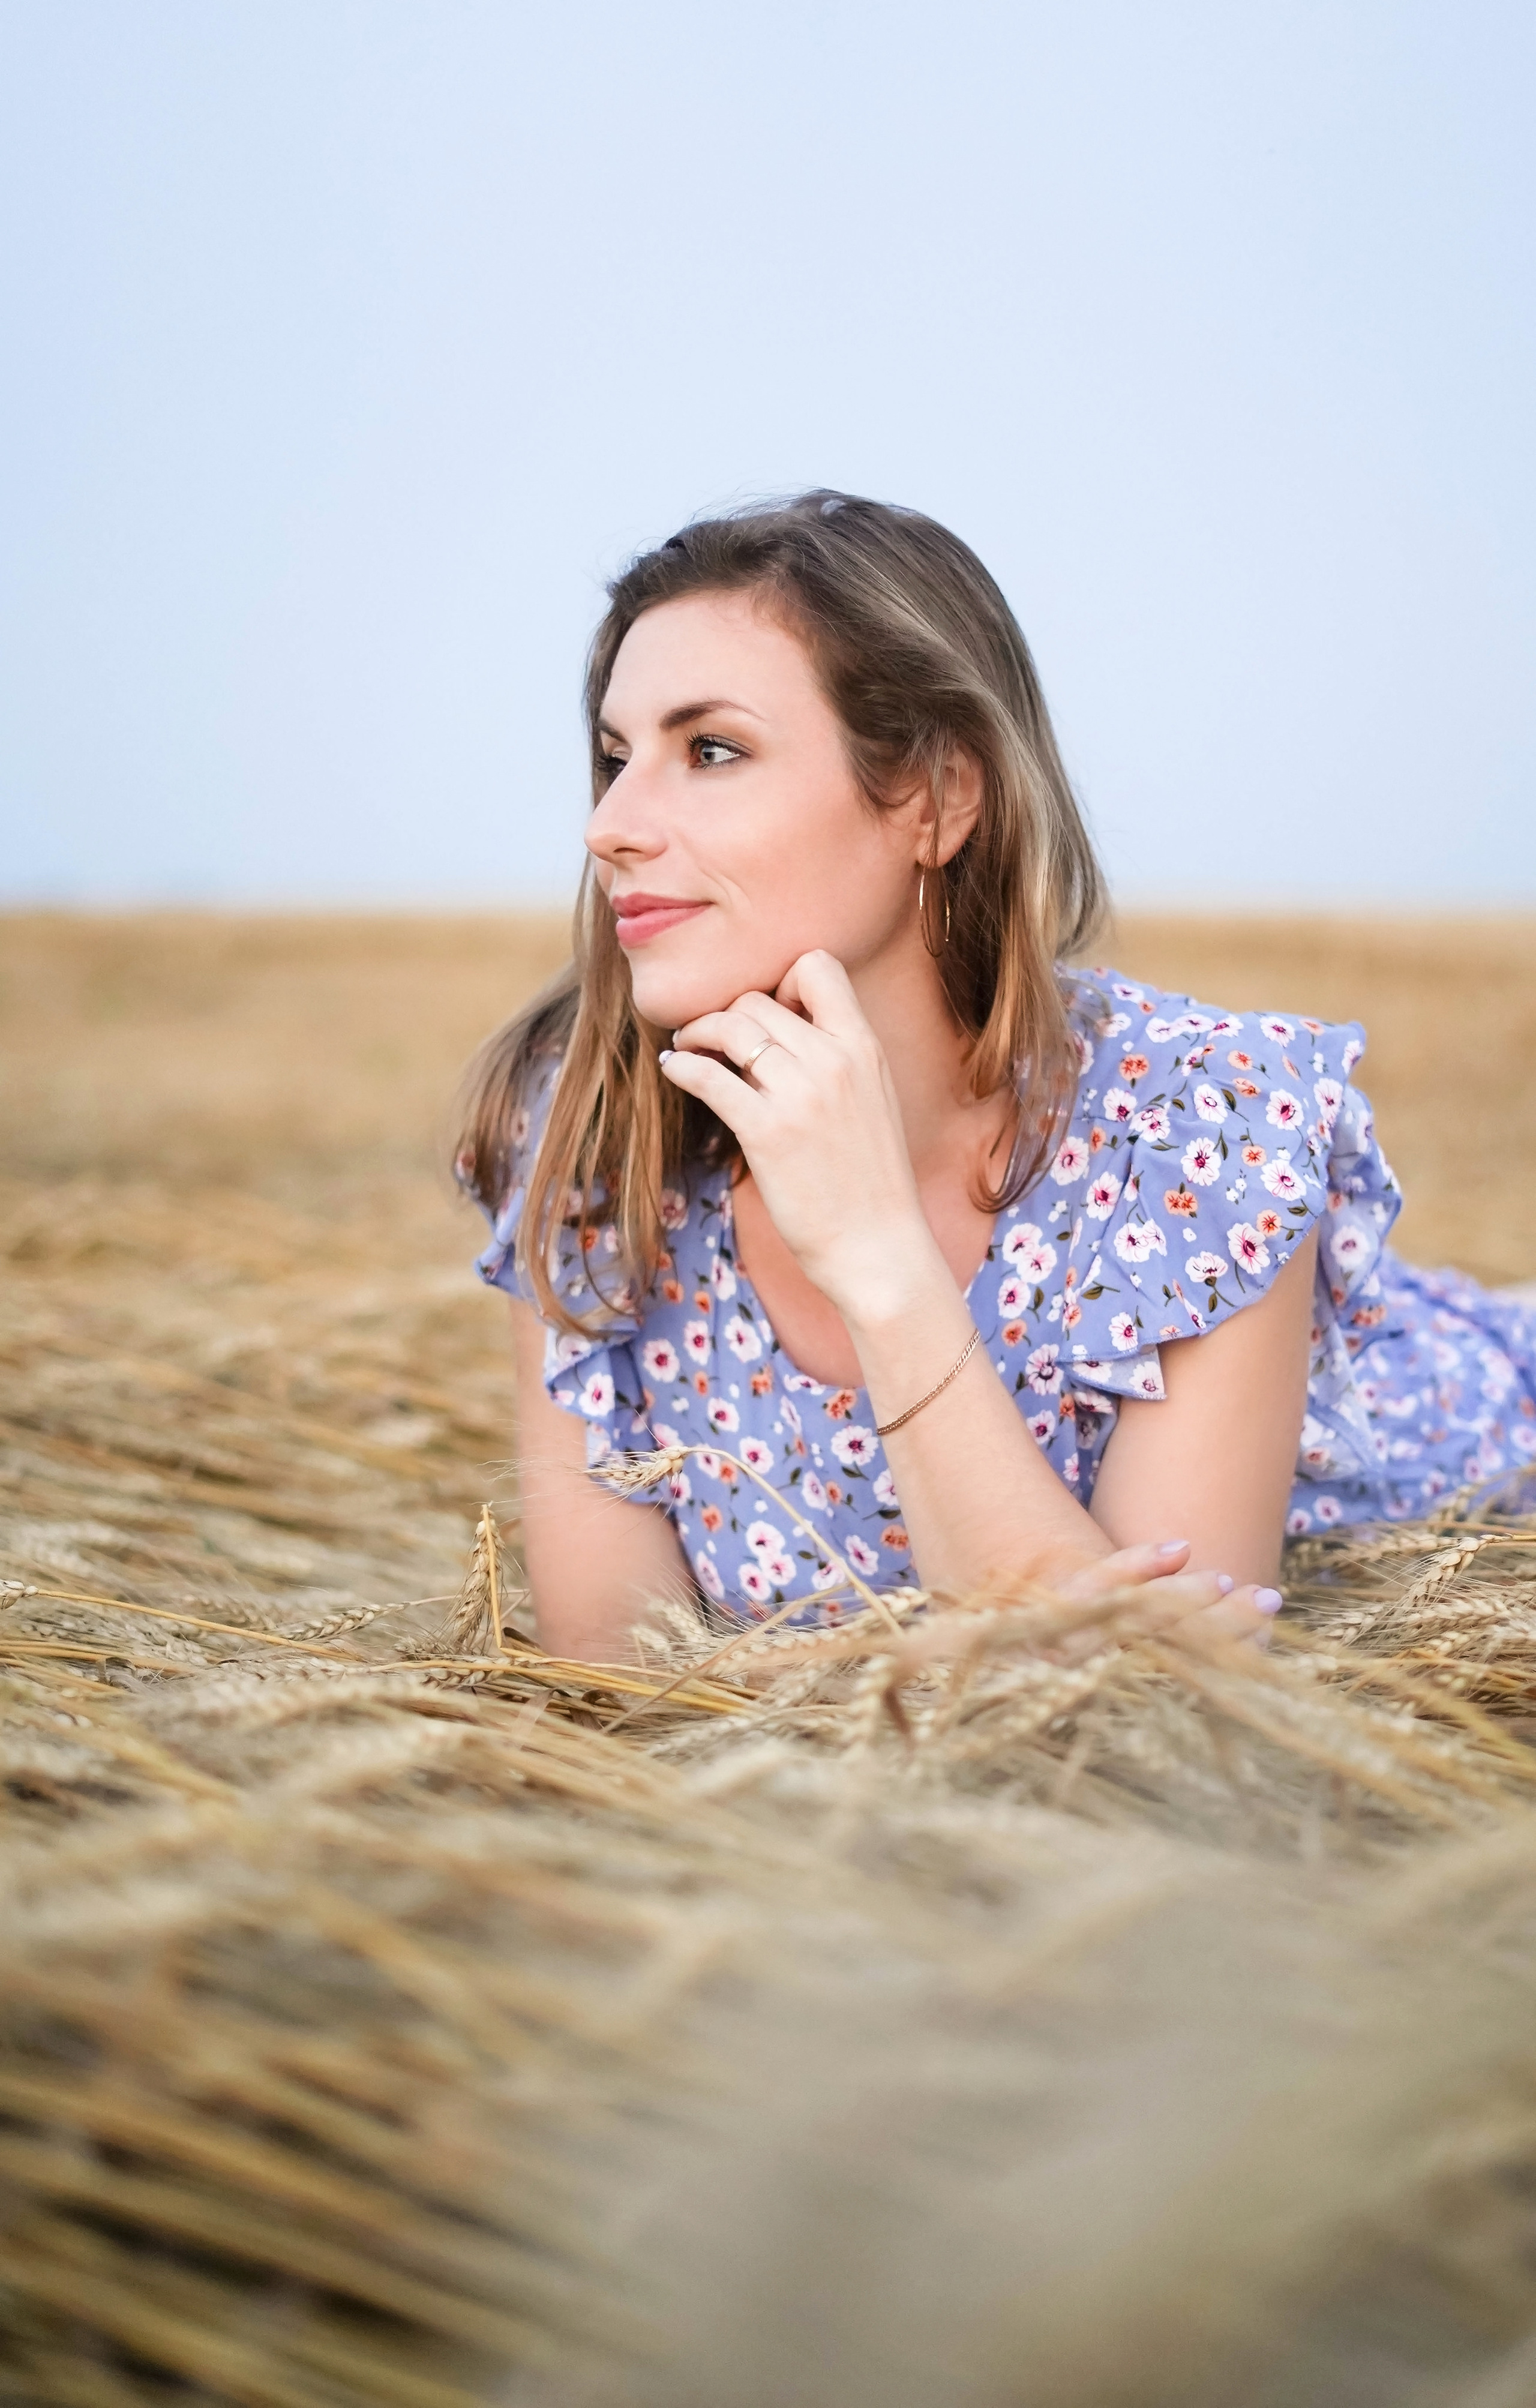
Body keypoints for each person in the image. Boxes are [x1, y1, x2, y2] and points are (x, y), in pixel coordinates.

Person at [458, 493, 1536, 1664]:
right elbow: (624, 1689)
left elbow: (1155, 1716)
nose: (608, 824)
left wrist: (877, 1260)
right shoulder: (585, 1145)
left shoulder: (1200, 1130)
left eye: (709, 750)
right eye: (615, 759)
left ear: (934, 799)